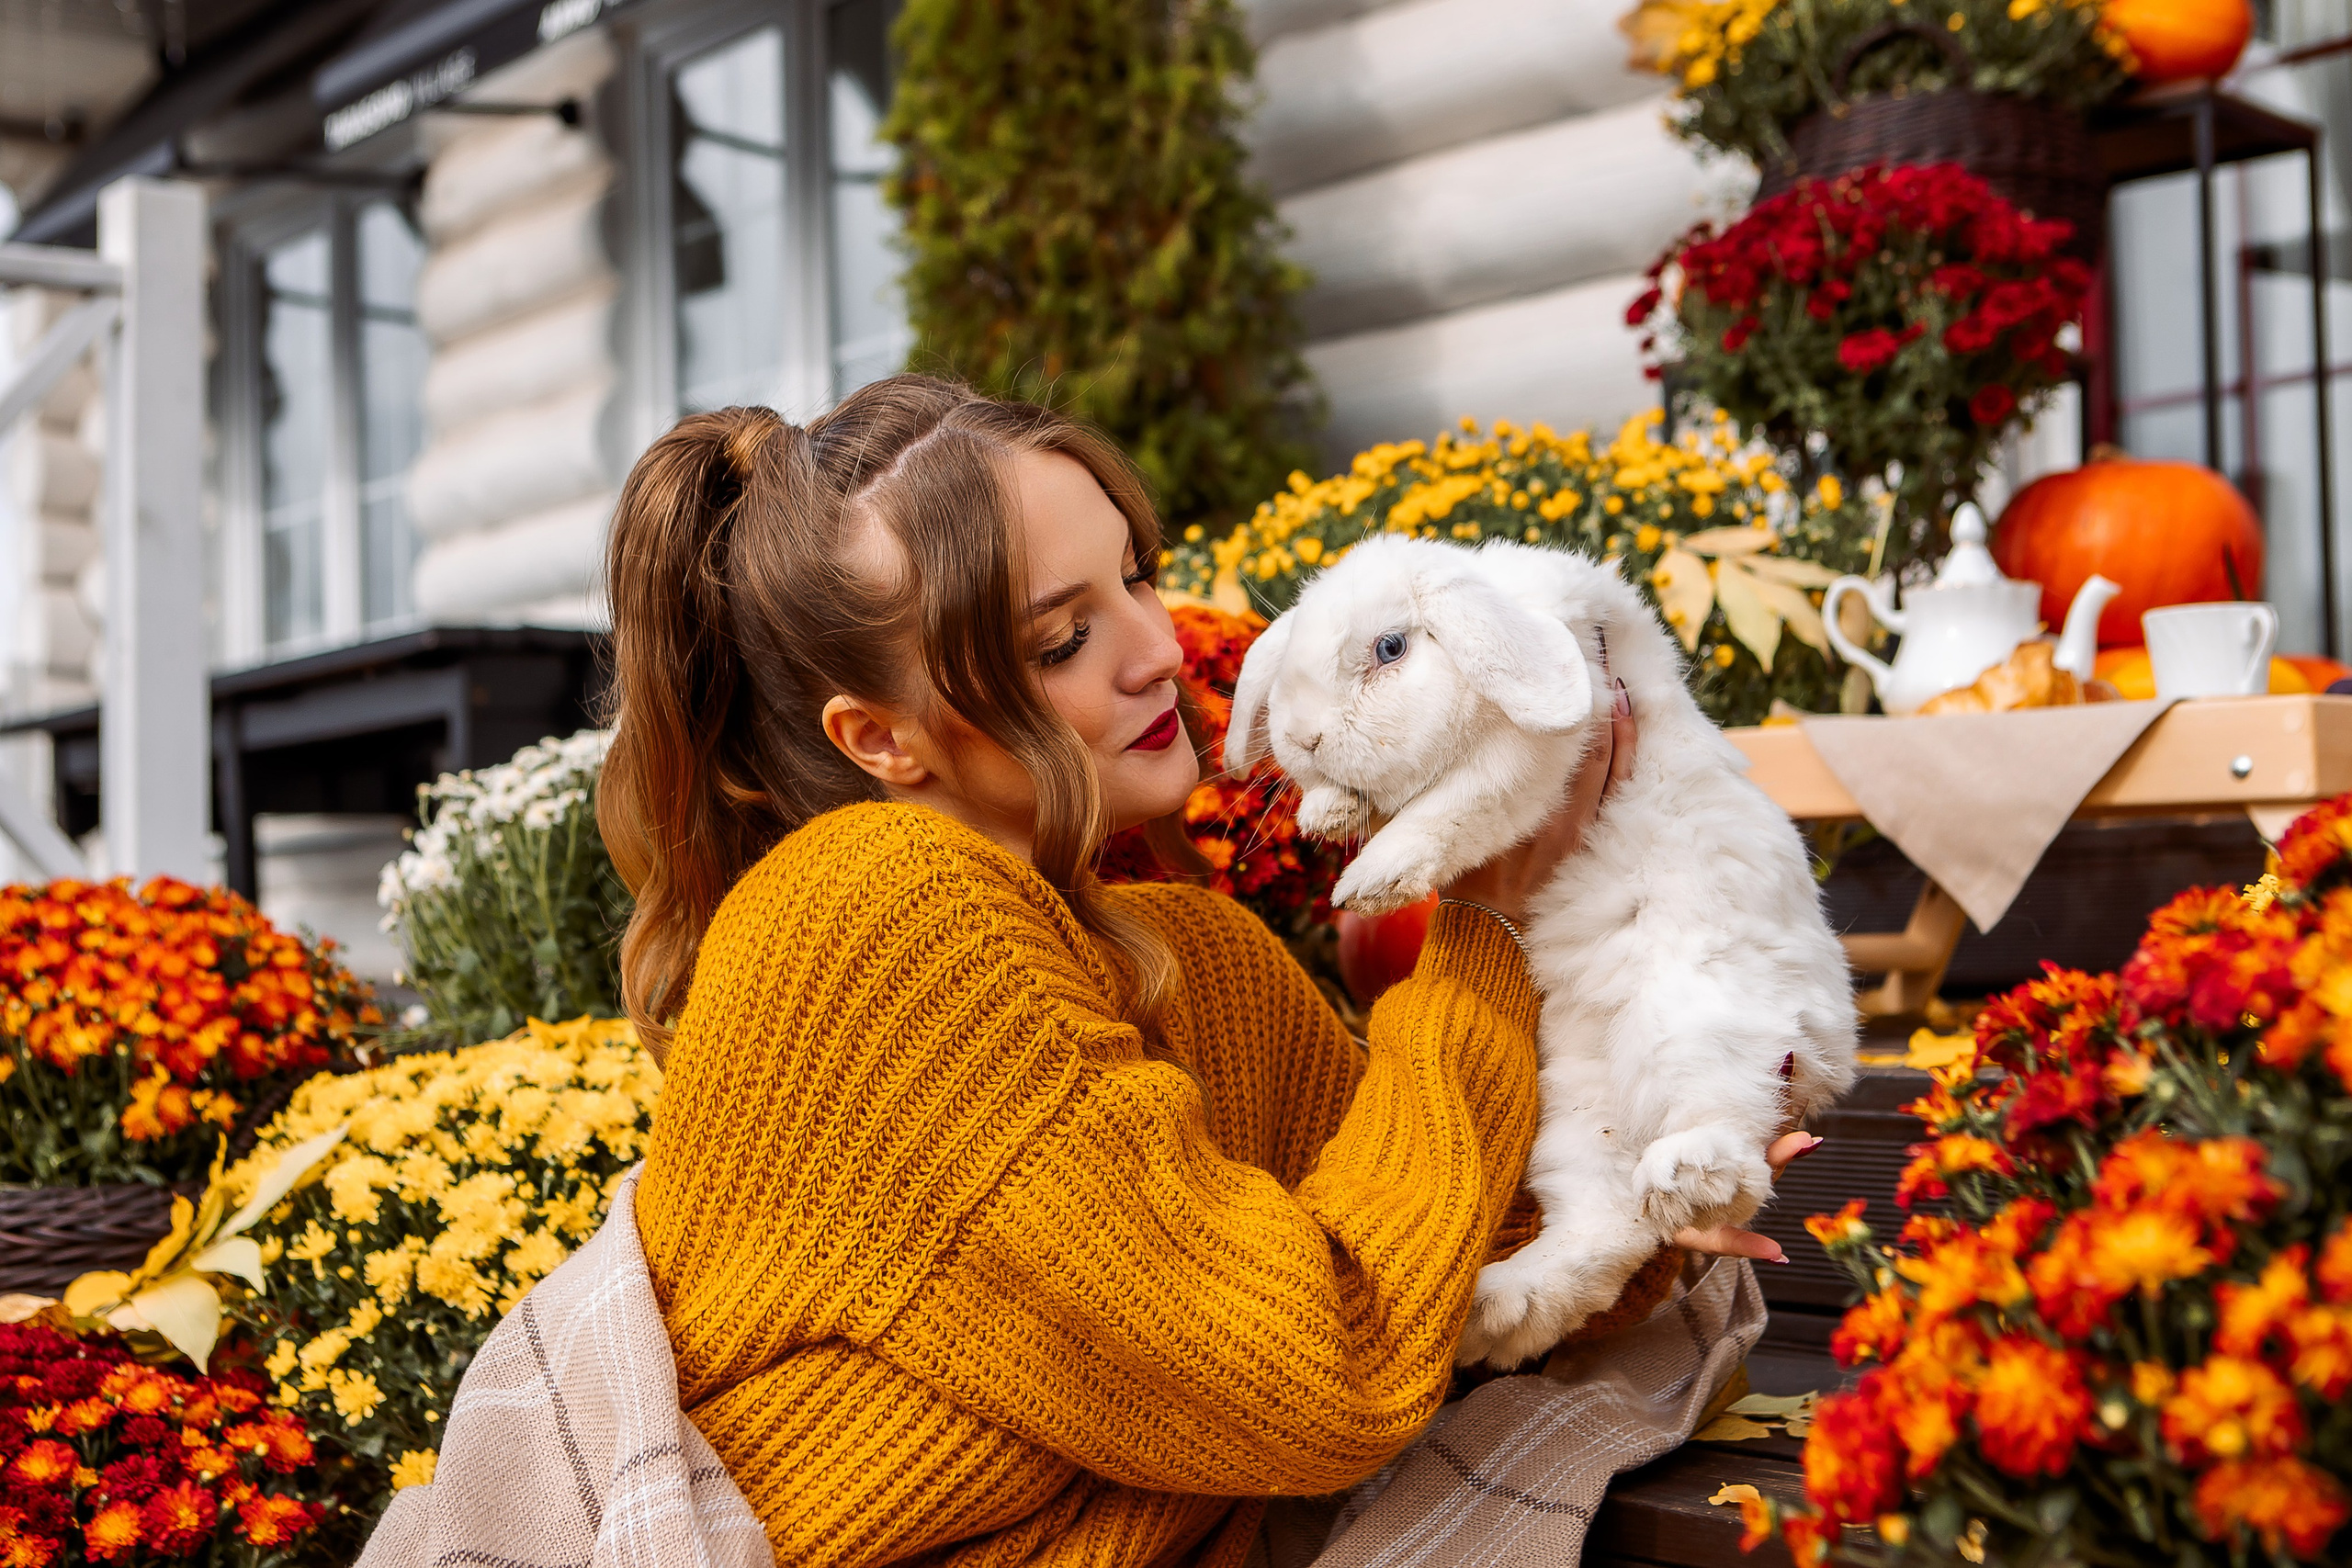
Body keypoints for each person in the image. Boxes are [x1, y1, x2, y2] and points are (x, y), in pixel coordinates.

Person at [591, 375, 1810, 1567]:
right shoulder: (875, 910)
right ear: (879, 737)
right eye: (1065, 638)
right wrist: (1482, 925)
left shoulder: (1195, 961)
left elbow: (1439, 1262)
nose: (1159, 649)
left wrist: (1652, 1192)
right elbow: (1326, 1370)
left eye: (1137, 577)